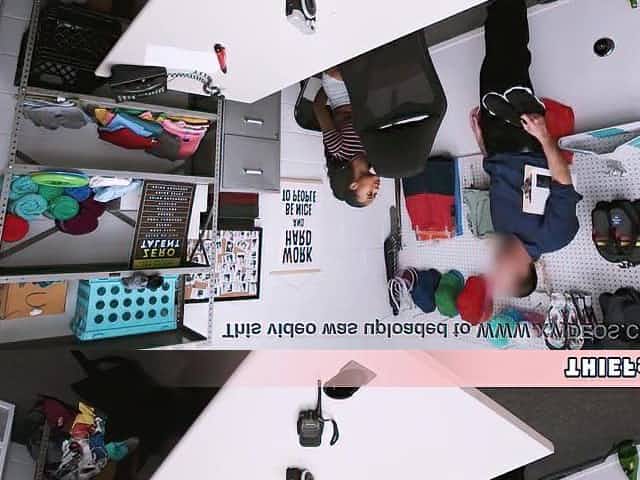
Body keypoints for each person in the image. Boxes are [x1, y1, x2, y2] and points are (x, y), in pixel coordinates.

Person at [476, 0, 583, 297]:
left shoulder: (502, 231)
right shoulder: (555, 237)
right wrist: (544, 135)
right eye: (500, 273)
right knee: (512, 56)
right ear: (519, 273)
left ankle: (495, 7)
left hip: (496, 143)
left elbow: (497, 178)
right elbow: (563, 185)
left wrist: (481, 140)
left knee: (491, 64)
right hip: (527, 140)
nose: (494, 266)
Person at [312, 67, 381, 207]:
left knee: (350, 72)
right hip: (363, 98)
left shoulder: (338, 149)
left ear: (354, 185)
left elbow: (318, 107)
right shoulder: (373, 156)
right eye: (376, 194)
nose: (376, 190)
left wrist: (327, 84)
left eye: (370, 194)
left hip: (341, 95)